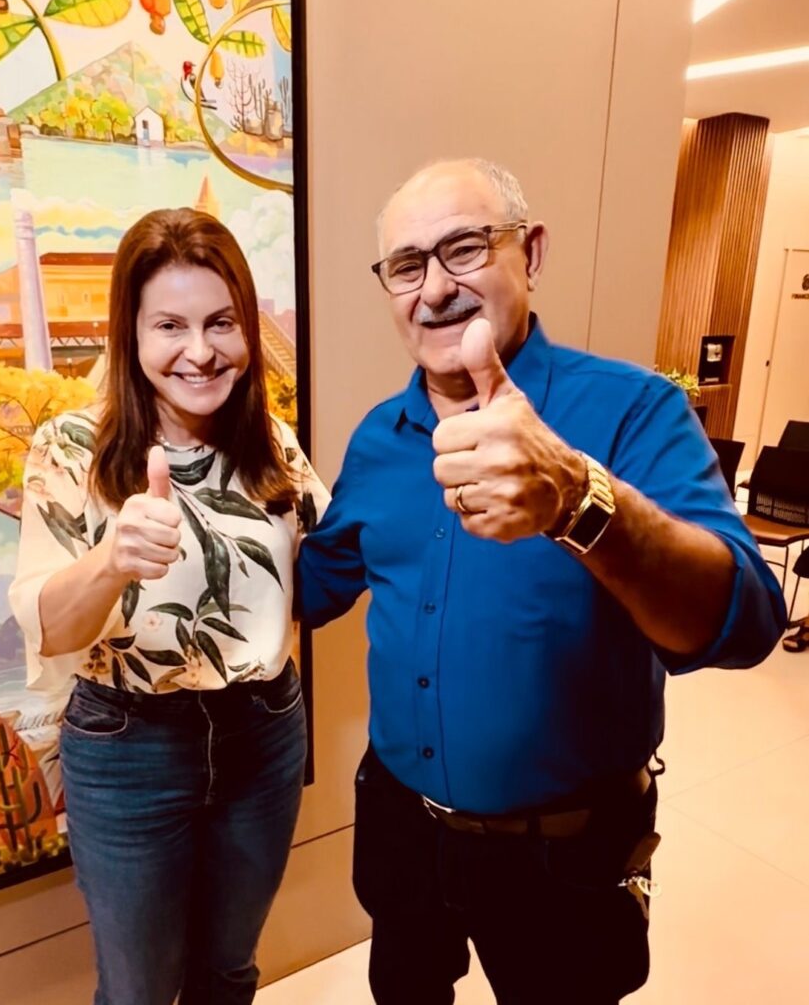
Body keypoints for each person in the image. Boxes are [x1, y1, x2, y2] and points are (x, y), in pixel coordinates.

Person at [297, 159, 786, 1005]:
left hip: (564, 856)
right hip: (400, 828)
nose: (434, 289)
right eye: (406, 266)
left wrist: (578, 501)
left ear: (530, 252)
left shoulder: (633, 410)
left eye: (463, 248)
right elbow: (313, 587)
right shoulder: (378, 437)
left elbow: (744, 623)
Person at [9, 208, 327, 1005]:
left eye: (220, 322)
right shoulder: (71, 448)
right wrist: (111, 560)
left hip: (262, 732)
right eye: (170, 326)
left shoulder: (272, 445)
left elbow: (330, 571)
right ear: (131, 333)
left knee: (228, 969)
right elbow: (51, 630)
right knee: (140, 989)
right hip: (130, 748)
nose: (200, 350)